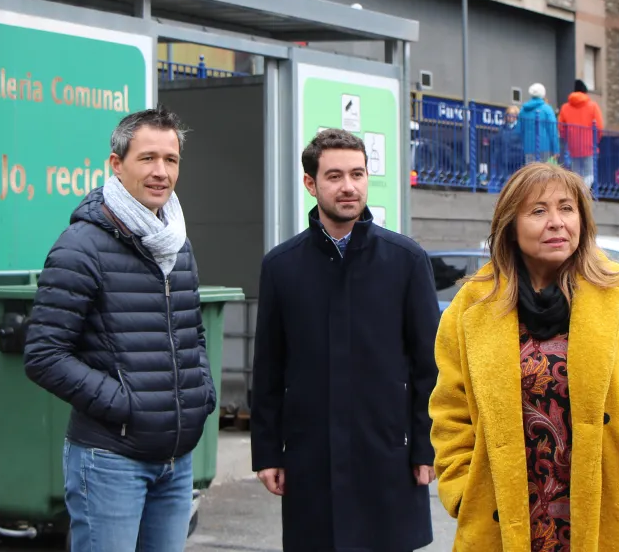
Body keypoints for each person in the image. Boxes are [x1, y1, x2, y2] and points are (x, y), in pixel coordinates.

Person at [429, 161, 619, 551]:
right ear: (510, 227)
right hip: (505, 516)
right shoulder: (473, 305)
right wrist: (462, 488)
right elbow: (451, 409)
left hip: (611, 513)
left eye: (567, 208)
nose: (557, 222)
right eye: (538, 211)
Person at [23, 107, 215, 552]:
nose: (161, 172)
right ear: (116, 164)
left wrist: (200, 394)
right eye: (147, 158)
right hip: (110, 459)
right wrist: (125, 405)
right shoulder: (81, 246)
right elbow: (44, 355)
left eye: (171, 160)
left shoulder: (176, 242)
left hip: (175, 460)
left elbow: (192, 332)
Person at [251, 128, 441, 552]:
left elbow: (431, 367)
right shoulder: (281, 267)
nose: (349, 186)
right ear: (310, 183)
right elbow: (268, 367)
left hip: (388, 455)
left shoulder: (406, 260)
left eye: (357, 173)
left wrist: (426, 446)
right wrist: (267, 451)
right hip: (310, 458)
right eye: (334, 176)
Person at [558, 79, 604, 188]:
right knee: (589, 173)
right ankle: (584, 193)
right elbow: (600, 127)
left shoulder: (565, 107)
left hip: (573, 145)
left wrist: (568, 139)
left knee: (576, 172)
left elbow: (561, 127)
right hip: (589, 145)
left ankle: (577, 192)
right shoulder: (592, 106)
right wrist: (596, 140)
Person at [520, 83, 560, 164]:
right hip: (544, 146)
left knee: (531, 172)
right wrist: (556, 149)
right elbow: (553, 131)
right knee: (543, 172)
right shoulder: (547, 109)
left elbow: (519, 130)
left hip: (528, 147)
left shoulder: (523, 110)